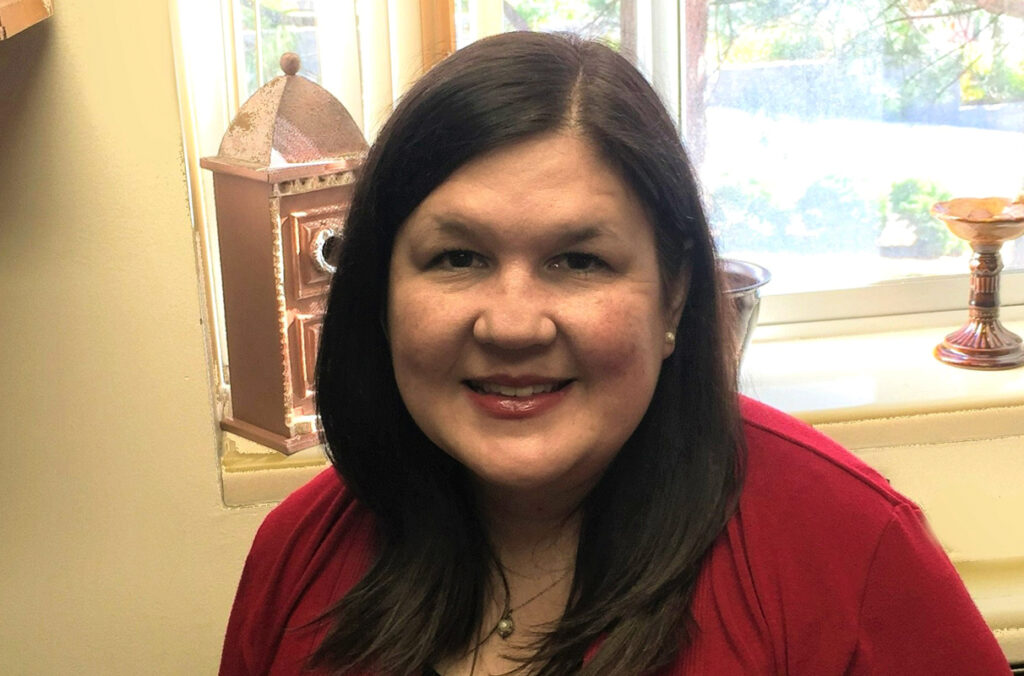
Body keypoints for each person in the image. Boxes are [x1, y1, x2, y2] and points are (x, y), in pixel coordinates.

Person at [219, 32, 1010, 676]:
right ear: (380, 297)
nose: (514, 325)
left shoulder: (851, 552)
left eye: (579, 260)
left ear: (673, 296)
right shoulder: (297, 557)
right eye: (456, 258)